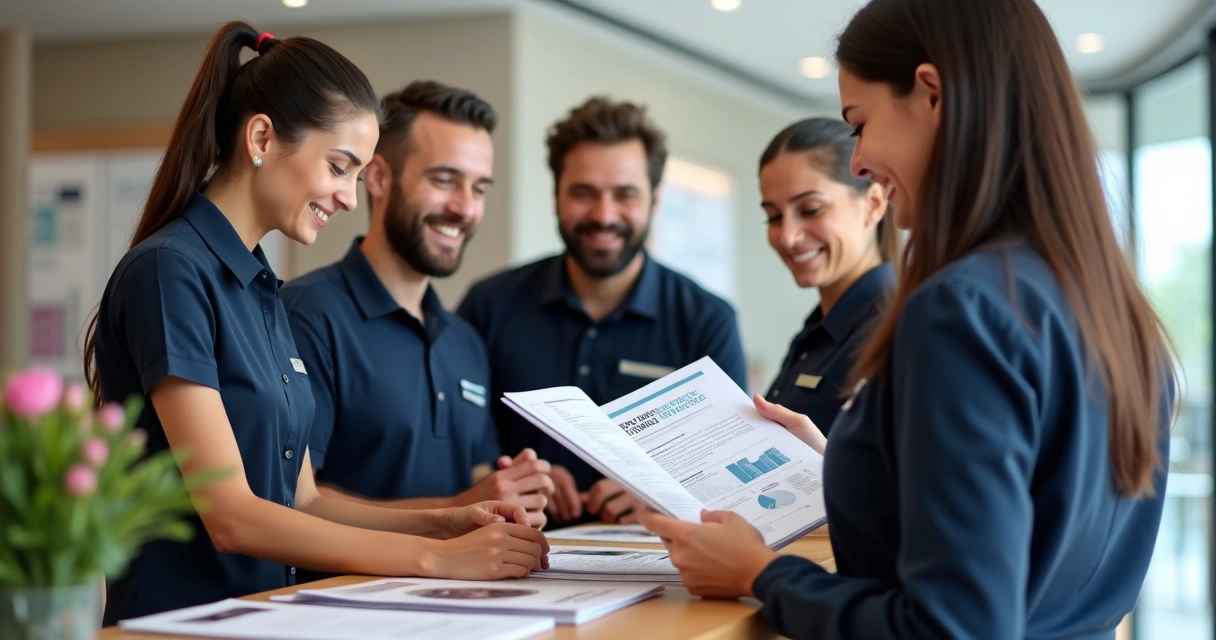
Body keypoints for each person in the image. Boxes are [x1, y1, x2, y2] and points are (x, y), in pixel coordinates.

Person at [638, 1, 1175, 638]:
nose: (859, 159)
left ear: (933, 95)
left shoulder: (961, 309)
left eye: (859, 123)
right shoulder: (1115, 310)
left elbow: (953, 626)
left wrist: (761, 573)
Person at [85, 23, 547, 624]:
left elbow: (304, 499)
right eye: (339, 167)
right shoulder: (170, 273)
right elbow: (231, 514)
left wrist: (448, 521)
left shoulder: (259, 288)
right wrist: (438, 560)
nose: (351, 198)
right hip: (176, 626)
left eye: (356, 174)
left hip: (262, 620)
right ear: (260, 138)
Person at [281, 80, 555, 542]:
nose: (464, 208)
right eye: (444, 181)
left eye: (479, 188)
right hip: (342, 605)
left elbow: (478, 483)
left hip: (463, 602)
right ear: (381, 177)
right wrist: (455, 510)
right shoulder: (306, 315)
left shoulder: (465, 340)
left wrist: (512, 501)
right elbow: (294, 502)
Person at [457, 97, 748, 526]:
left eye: (624, 194)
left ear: (655, 200)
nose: (603, 214)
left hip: (663, 563)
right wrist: (516, 476)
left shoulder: (706, 320)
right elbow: (458, 446)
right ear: (556, 195)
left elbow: (733, 465)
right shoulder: (488, 305)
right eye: (583, 193)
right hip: (510, 555)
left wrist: (664, 497)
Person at [757, 117, 895, 441]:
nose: (788, 236)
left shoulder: (895, 327)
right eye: (773, 216)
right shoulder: (815, 334)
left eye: (811, 209)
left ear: (874, 204)